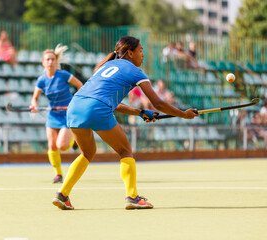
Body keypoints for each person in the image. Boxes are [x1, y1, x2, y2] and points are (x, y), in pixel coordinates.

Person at [52, 36, 198, 210]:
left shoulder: (105, 66)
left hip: (75, 106)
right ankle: (133, 196)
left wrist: (140, 112)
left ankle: (62, 195)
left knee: (87, 153)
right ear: (130, 53)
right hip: (96, 107)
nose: (143, 55)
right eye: (140, 51)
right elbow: (158, 103)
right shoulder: (136, 72)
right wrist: (183, 114)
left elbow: (115, 104)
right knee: (125, 150)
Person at [30, 44, 83, 183]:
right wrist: (34, 105)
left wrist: (76, 101)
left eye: (53, 59)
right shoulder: (41, 80)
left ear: (56, 61)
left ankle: (75, 140)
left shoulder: (64, 75)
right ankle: (58, 175)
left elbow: (80, 86)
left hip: (67, 114)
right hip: (53, 114)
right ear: (43, 62)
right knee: (52, 146)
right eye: (47, 59)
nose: (50, 62)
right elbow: (35, 98)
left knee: (62, 146)